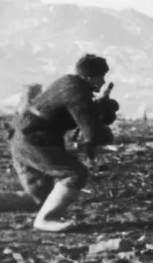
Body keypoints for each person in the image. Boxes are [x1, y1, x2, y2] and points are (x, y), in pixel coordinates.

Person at [9, 53, 117, 232]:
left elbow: (67, 109)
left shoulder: (68, 82)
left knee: (38, 197)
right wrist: (100, 123)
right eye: (101, 77)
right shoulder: (78, 93)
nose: (103, 82)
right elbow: (91, 130)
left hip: (20, 138)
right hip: (35, 143)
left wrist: (96, 109)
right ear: (91, 76)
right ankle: (46, 220)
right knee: (75, 174)